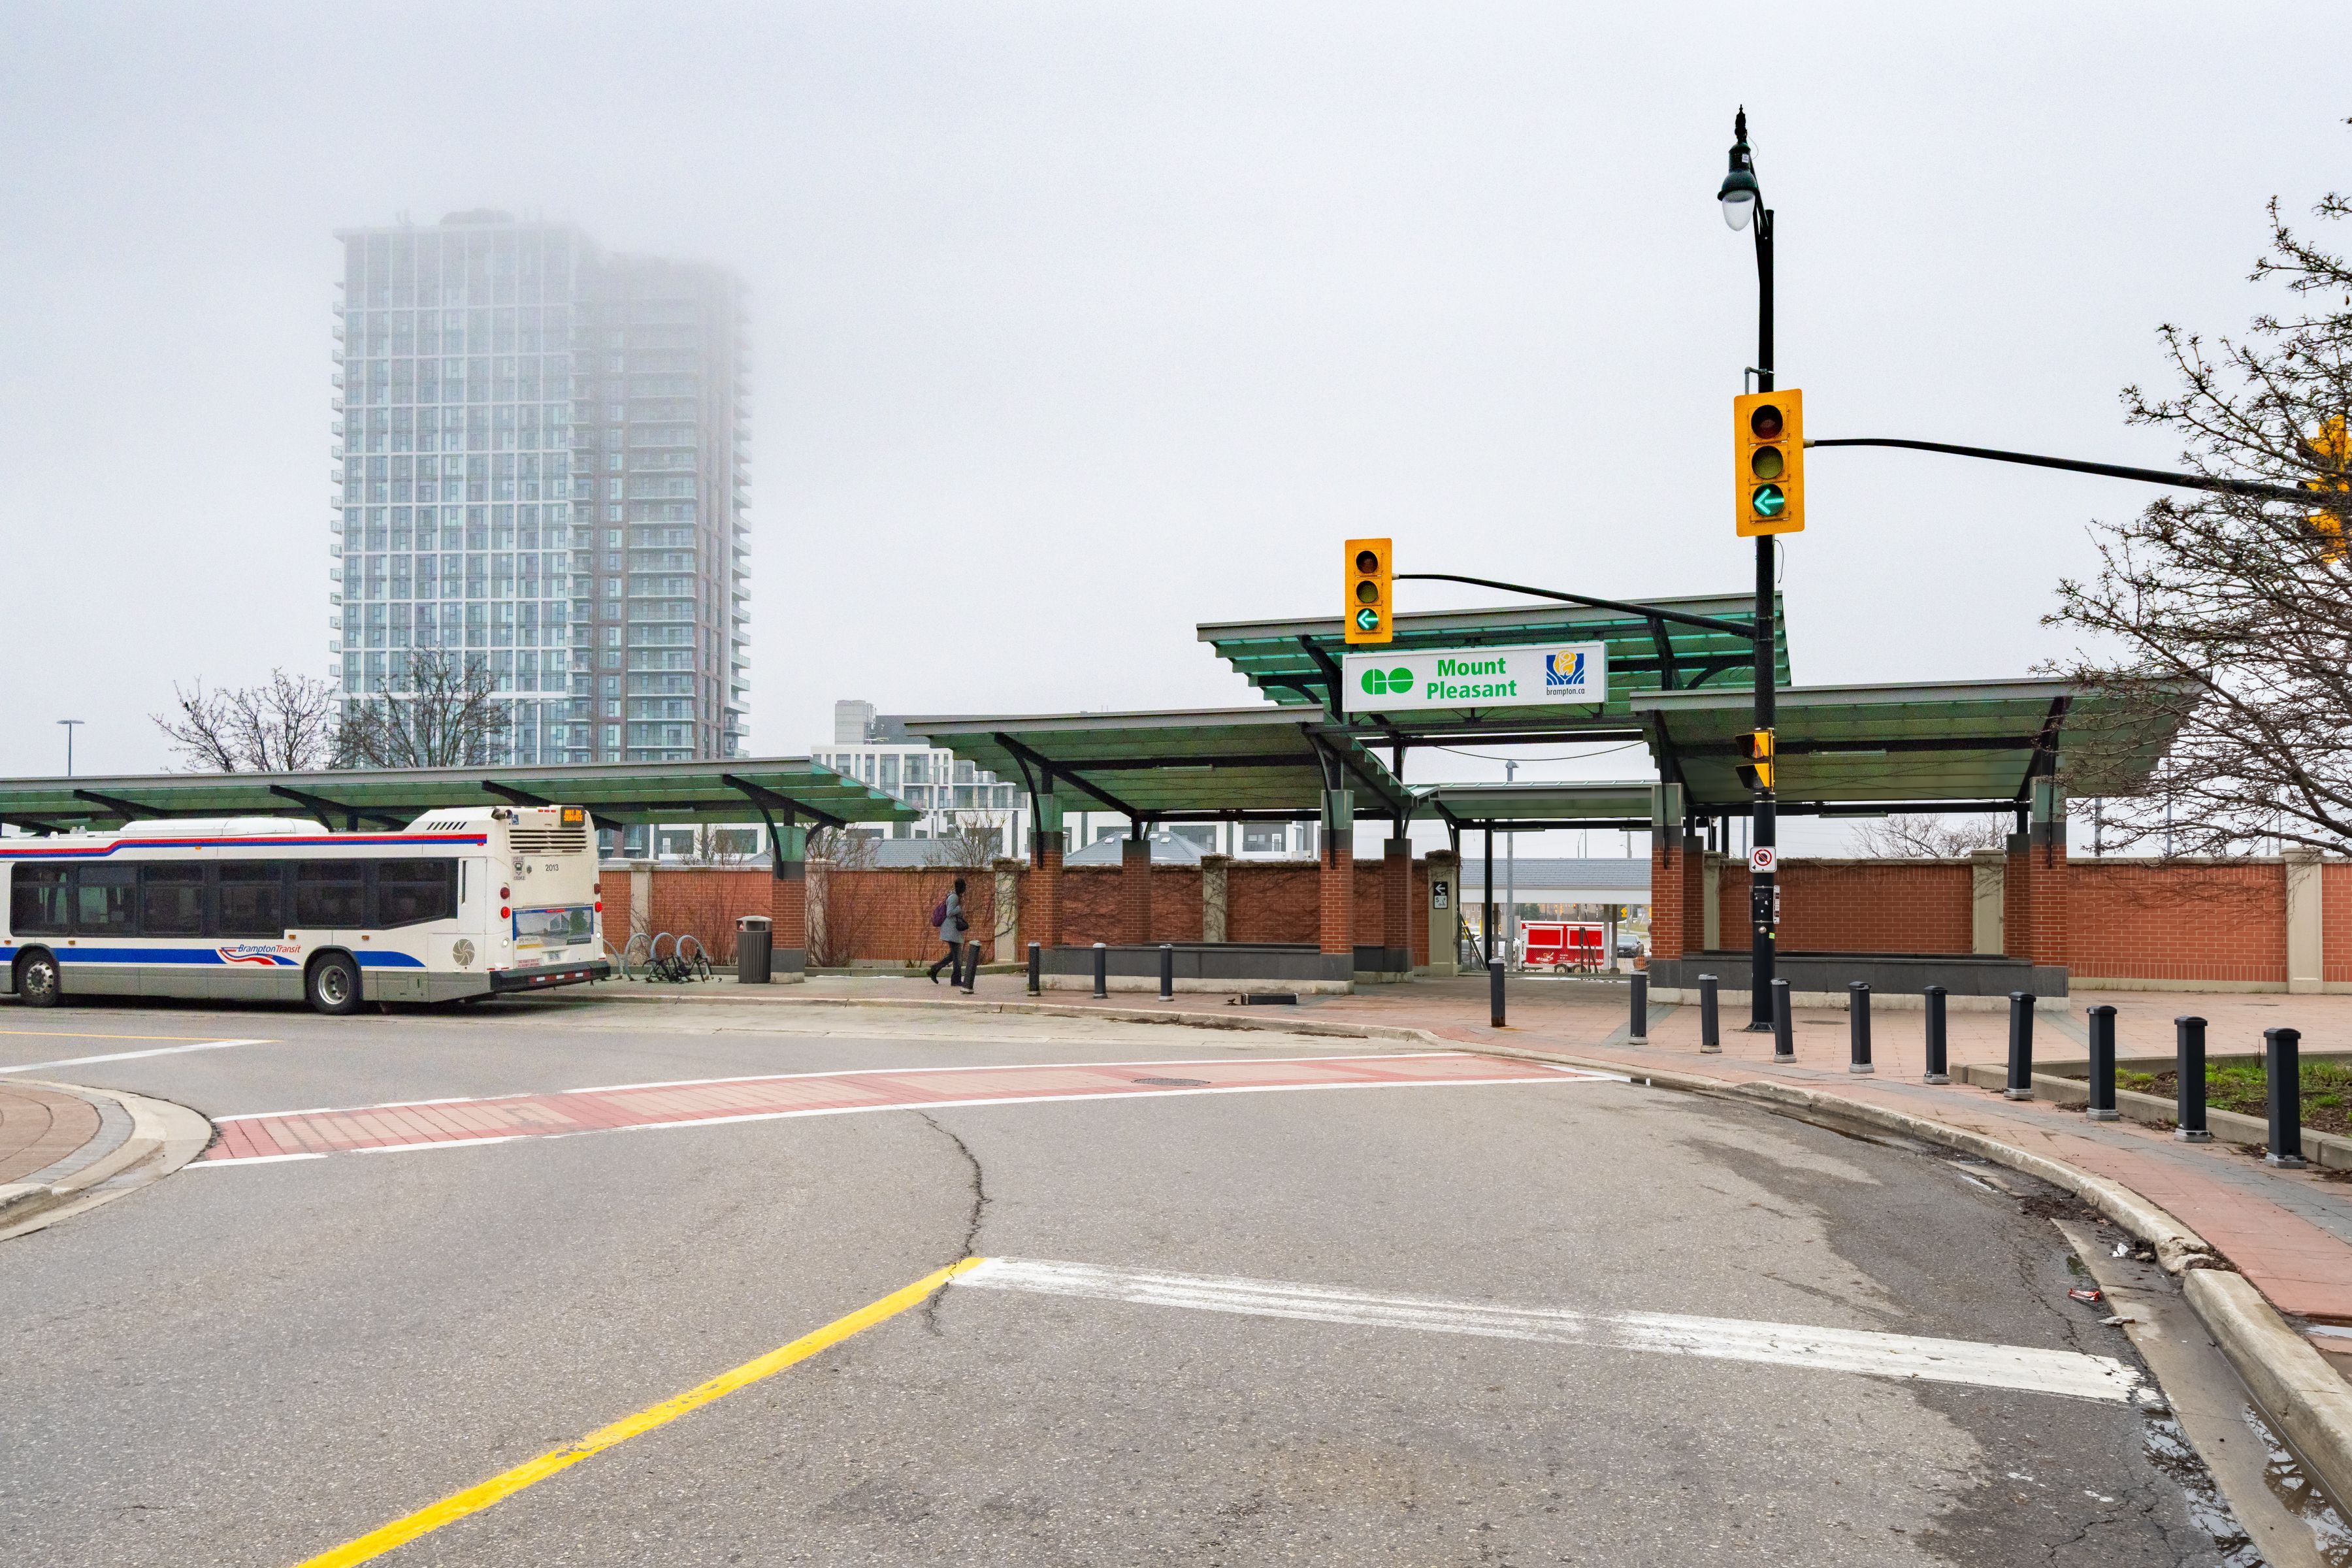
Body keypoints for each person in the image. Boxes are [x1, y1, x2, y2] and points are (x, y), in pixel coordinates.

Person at [928, 878, 968, 985]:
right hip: (951, 931)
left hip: (951, 930)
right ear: (960, 887)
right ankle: (956, 980)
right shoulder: (954, 897)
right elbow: (949, 913)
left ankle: (934, 969)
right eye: (963, 887)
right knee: (958, 957)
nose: (964, 889)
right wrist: (959, 909)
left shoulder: (953, 896)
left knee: (953, 955)